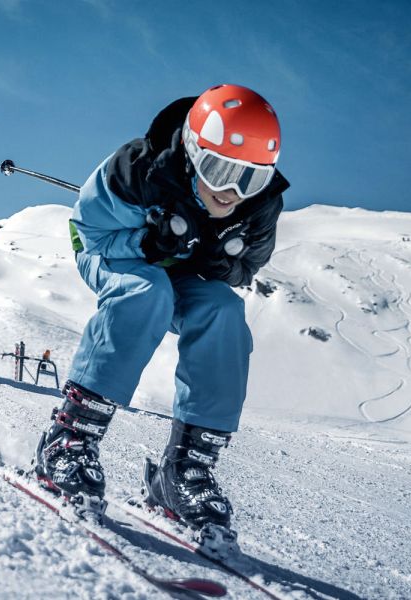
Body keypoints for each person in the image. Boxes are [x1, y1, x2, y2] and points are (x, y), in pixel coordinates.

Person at [32, 84, 288, 547]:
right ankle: (69, 437)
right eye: (218, 170)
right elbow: (88, 231)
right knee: (145, 292)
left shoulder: (260, 206)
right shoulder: (138, 170)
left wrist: (215, 259)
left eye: (248, 179)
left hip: (183, 268)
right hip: (114, 251)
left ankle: (185, 469)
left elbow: (246, 268)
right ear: (192, 152)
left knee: (223, 311)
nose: (230, 192)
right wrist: (147, 242)